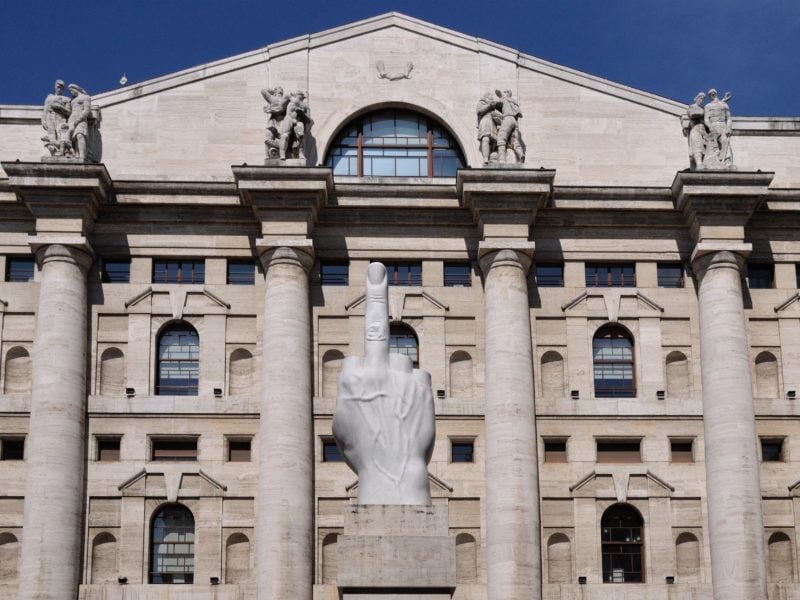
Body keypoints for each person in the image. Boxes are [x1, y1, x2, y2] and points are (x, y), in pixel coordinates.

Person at [703, 88, 733, 167]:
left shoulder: (724, 105)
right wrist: (710, 126)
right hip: (713, 125)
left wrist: (728, 128)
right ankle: (716, 159)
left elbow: (729, 118)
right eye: (710, 94)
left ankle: (727, 160)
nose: (712, 95)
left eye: (713, 93)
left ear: (716, 93)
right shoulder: (708, 106)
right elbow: (706, 119)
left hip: (723, 125)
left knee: (724, 141)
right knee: (714, 143)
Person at [41, 80, 71, 156]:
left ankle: (64, 150)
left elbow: (69, 112)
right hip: (50, 117)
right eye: (58, 87)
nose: (59, 89)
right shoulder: (49, 98)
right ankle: (54, 149)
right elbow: (45, 110)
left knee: (61, 134)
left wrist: (60, 107)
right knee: (52, 136)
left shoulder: (66, 99)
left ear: (63, 89)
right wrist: (43, 120)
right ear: (55, 87)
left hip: (60, 117)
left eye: (61, 87)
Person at [495, 89, 525, 163]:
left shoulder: (504, 100)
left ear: (507, 94)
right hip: (514, 121)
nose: (503, 93)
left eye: (504, 92)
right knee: (515, 141)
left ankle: (502, 160)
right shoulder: (513, 102)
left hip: (507, 119)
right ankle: (521, 154)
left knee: (501, 138)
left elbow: (495, 104)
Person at [67, 84, 91, 159]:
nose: (71, 92)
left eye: (71, 90)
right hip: (71, 119)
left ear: (75, 88)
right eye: (70, 91)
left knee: (80, 135)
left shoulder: (86, 97)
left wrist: (79, 119)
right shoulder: (72, 101)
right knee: (72, 138)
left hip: (81, 119)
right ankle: (76, 154)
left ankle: (82, 155)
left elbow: (86, 110)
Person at [476, 91, 500, 164]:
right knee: (485, 138)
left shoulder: (494, 105)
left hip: (493, 122)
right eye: (490, 95)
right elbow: (479, 111)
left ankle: (492, 158)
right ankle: (485, 158)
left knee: (494, 143)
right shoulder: (482, 102)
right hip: (485, 120)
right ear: (486, 96)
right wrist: (489, 105)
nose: (492, 96)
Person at [685, 92, 706, 169]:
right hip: (696, 129)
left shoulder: (703, 109)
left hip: (703, 131)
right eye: (700, 98)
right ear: (696, 98)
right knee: (697, 145)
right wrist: (703, 113)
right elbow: (692, 114)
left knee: (704, 147)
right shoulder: (692, 107)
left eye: (702, 99)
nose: (701, 100)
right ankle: (699, 164)